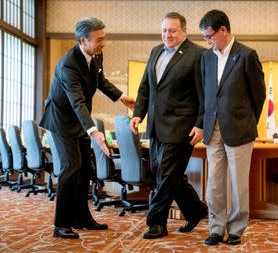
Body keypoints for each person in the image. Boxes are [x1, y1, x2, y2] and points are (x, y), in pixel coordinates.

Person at [40, 17, 135, 239]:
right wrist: (94, 131)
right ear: (83, 40)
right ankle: (61, 224)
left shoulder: (95, 54)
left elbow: (100, 80)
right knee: (71, 168)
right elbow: (77, 101)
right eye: (99, 39)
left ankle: (81, 218)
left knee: (85, 170)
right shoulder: (68, 64)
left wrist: (122, 98)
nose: (104, 43)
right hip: (62, 120)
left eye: (104, 37)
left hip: (78, 119)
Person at [130, 12, 207, 239]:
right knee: (164, 174)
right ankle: (196, 210)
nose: (167, 35)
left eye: (172, 30)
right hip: (155, 125)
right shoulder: (155, 51)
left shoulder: (198, 54)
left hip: (181, 126)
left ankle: (156, 223)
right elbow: (146, 87)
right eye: (164, 30)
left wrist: (201, 124)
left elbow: (204, 95)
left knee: (166, 174)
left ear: (184, 31)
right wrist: (138, 114)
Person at [199, 9, 266, 246]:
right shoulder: (206, 58)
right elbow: (204, 96)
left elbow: (258, 96)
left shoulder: (247, 55)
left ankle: (236, 228)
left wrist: (247, 121)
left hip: (239, 129)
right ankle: (216, 228)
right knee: (214, 184)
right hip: (213, 128)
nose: (207, 41)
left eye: (209, 36)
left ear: (224, 30)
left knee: (238, 184)